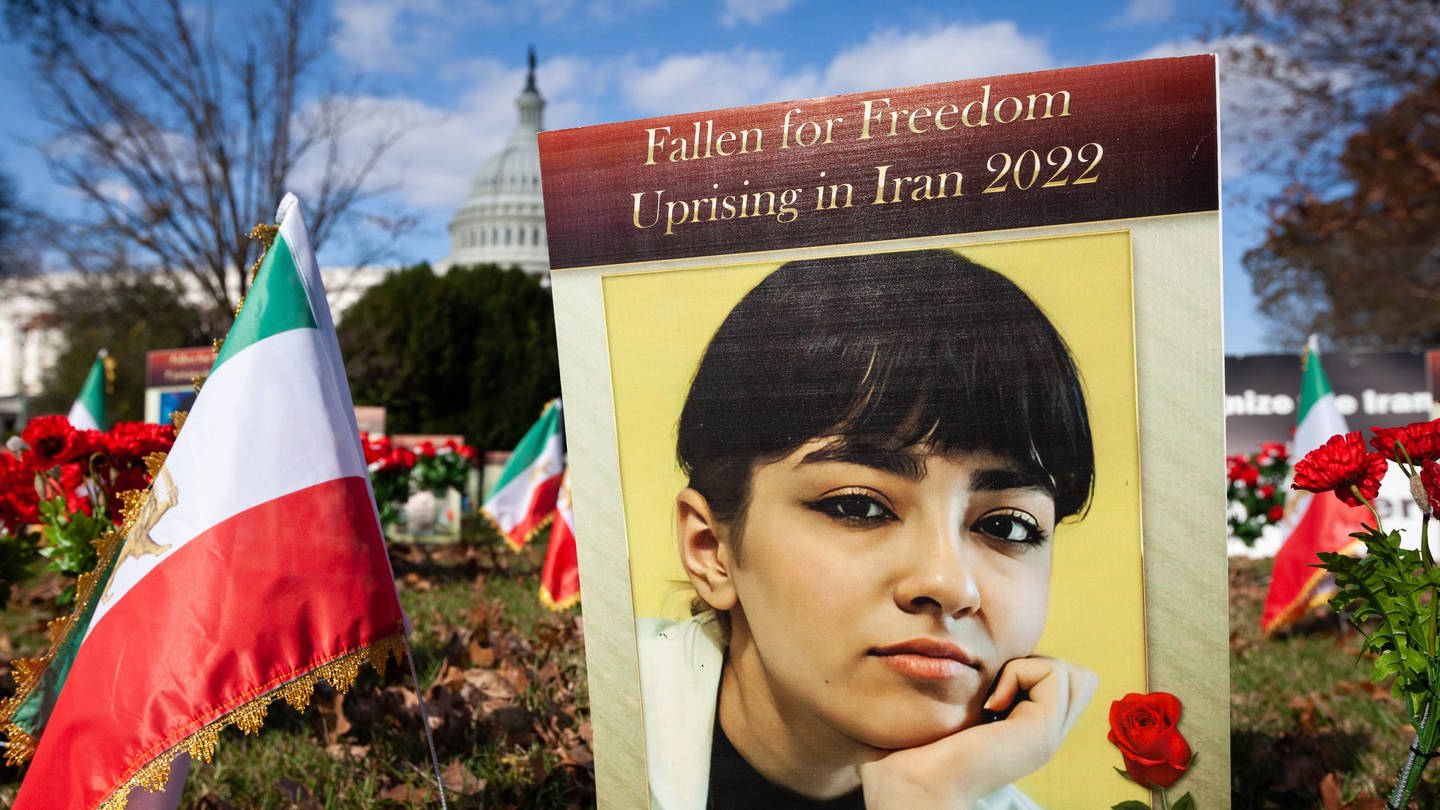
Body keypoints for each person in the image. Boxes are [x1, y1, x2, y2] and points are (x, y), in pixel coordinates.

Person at [637, 249, 1099, 809]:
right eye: (859, 508)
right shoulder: (581, 727)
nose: (950, 584)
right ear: (710, 550)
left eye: (1007, 525)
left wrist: (923, 798)